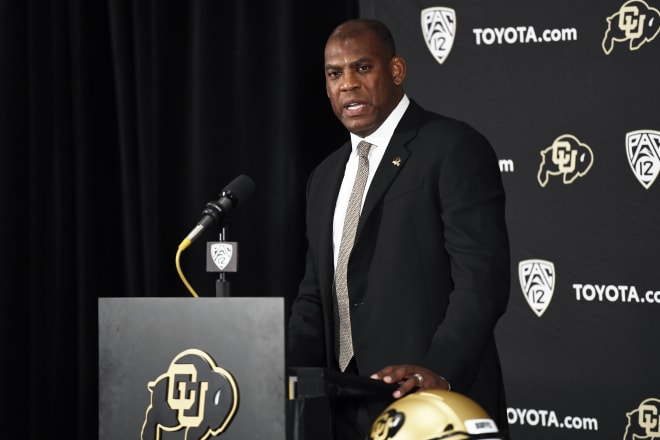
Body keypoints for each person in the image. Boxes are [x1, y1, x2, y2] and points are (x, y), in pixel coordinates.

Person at [287, 18, 511, 440]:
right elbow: (317, 296)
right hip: (343, 409)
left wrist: (438, 371)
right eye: (335, 74)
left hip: (433, 408)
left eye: (362, 68)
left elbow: (482, 282)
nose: (347, 84)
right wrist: (270, 369)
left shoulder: (452, 147)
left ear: (396, 71)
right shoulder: (324, 175)